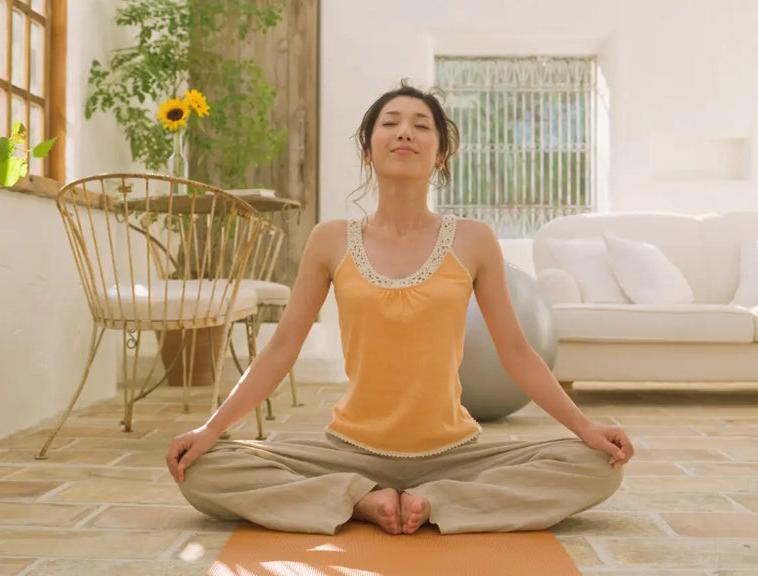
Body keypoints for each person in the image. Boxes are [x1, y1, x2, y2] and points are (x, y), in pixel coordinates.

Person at [166, 81, 632, 536]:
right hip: (349, 450)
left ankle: (437, 501)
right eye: (390, 123)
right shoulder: (330, 239)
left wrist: (585, 427)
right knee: (206, 468)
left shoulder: (473, 240)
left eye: (421, 125)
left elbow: (516, 352)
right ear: (369, 151)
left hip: (454, 455)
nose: (405, 132)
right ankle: (360, 498)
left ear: (441, 155)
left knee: (597, 467)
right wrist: (210, 429)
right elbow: (282, 347)